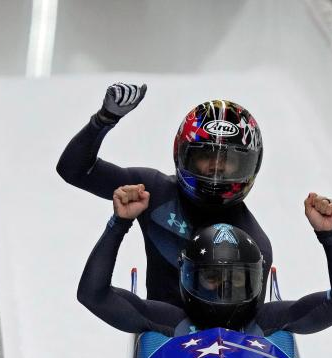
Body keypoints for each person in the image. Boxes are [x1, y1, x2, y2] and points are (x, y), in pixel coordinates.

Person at [57, 82, 271, 306]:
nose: (216, 168)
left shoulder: (257, 244)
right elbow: (74, 170)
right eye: (206, 155)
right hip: (159, 329)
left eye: (229, 160)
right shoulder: (152, 192)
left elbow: (250, 325)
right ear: (183, 154)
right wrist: (104, 119)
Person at [77, 185, 332, 337]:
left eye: (236, 279)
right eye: (212, 278)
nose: (224, 289)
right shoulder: (166, 320)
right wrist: (118, 224)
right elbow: (93, 295)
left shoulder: (268, 321)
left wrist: (329, 236)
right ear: (190, 280)